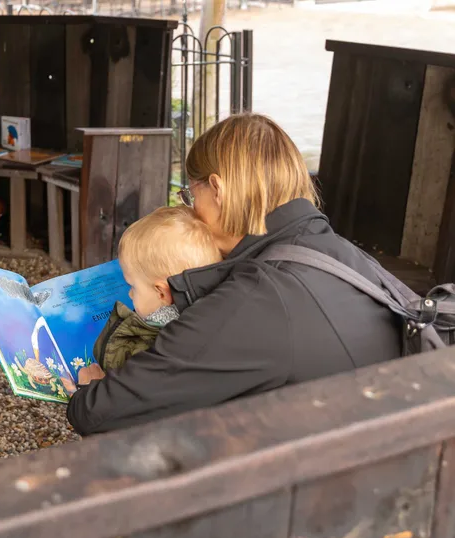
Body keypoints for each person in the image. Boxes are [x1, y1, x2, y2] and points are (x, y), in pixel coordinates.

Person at [67, 113, 402, 436]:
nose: (191, 208)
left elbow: (100, 412)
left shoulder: (260, 297)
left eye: (190, 195)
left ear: (218, 190)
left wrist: (90, 389)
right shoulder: (341, 254)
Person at [92, 205, 222, 372]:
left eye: (133, 287)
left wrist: (91, 386)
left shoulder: (149, 350)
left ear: (162, 292)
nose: (129, 294)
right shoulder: (208, 322)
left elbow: (123, 393)